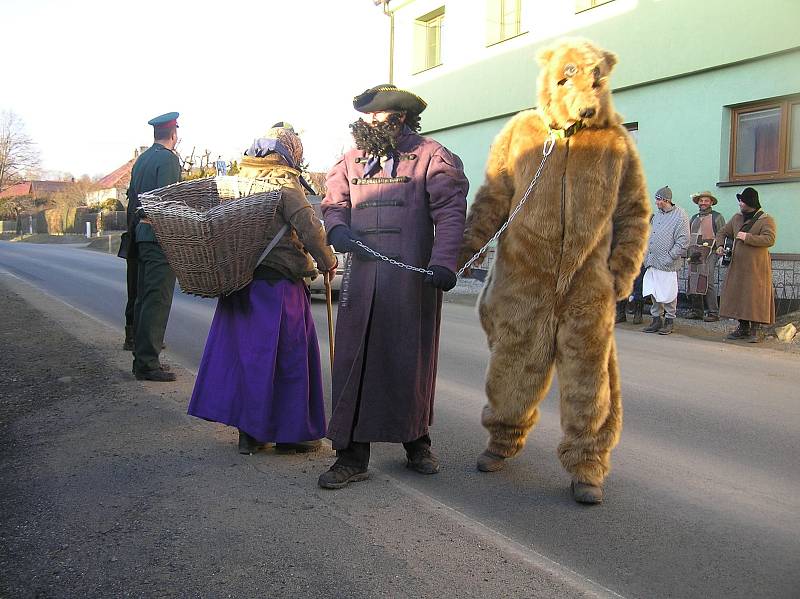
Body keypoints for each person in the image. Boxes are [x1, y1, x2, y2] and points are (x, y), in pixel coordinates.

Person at [318, 84, 469, 489]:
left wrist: (443, 263)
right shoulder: (350, 160)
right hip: (362, 281)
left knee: (409, 362)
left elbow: (451, 213)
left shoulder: (432, 157)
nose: (367, 122)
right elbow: (333, 203)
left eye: (376, 114)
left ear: (399, 116)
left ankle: (417, 443)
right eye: (364, 115)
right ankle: (350, 456)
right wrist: (337, 229)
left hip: (411, 283)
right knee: (354, 363)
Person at [188, 125, 337, 454]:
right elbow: (309, 227)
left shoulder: (236, 179)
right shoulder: (285, 183)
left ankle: (249, 434)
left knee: (247, 359)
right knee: (288, 359)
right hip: (278, 286)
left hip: (238, 284)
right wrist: (327, 261)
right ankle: (291, 433)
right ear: (290, 151)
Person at [128, 112, 182, 381]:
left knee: (143, 299)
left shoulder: (143, 159)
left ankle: (142, 357)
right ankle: (148, 364)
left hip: (141, 234)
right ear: (174, 134)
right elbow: (168, 204)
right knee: (157, 300)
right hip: (159, 236)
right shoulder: (168, 160)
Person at [715, 187, 776, 343]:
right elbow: (722, 232)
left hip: (756, 267)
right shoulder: (736, 218)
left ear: (750, 202)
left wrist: (747, 237)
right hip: (738, 266)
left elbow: (769, 239)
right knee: (739, 295)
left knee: (755, 298)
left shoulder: (766, 220)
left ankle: (756, 330)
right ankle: (742, 328)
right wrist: (720, 246)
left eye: (742, 201)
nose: (740, 204)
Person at [641, 186, 690, 335]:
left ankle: (669, 320)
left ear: (666, 200)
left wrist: (670, 257)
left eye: (658, 199)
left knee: (668, 292)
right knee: (654, 290)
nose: (656, 203)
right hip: (653, 261)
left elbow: (683, 241)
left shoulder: (680, 216)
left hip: (668, 263)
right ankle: (656, 319)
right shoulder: (657, 215)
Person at [686, 191, 726, 321]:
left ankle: (713, 312)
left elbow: (722, 234)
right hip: (694, 253)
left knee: (707, 280)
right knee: (694, 279)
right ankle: (697, 311)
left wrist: (721, 249)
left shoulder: (717, 217)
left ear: (711, 202)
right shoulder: (694, 217)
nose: (703, 203)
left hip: (711, 253)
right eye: (701, 200)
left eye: (706, 200)